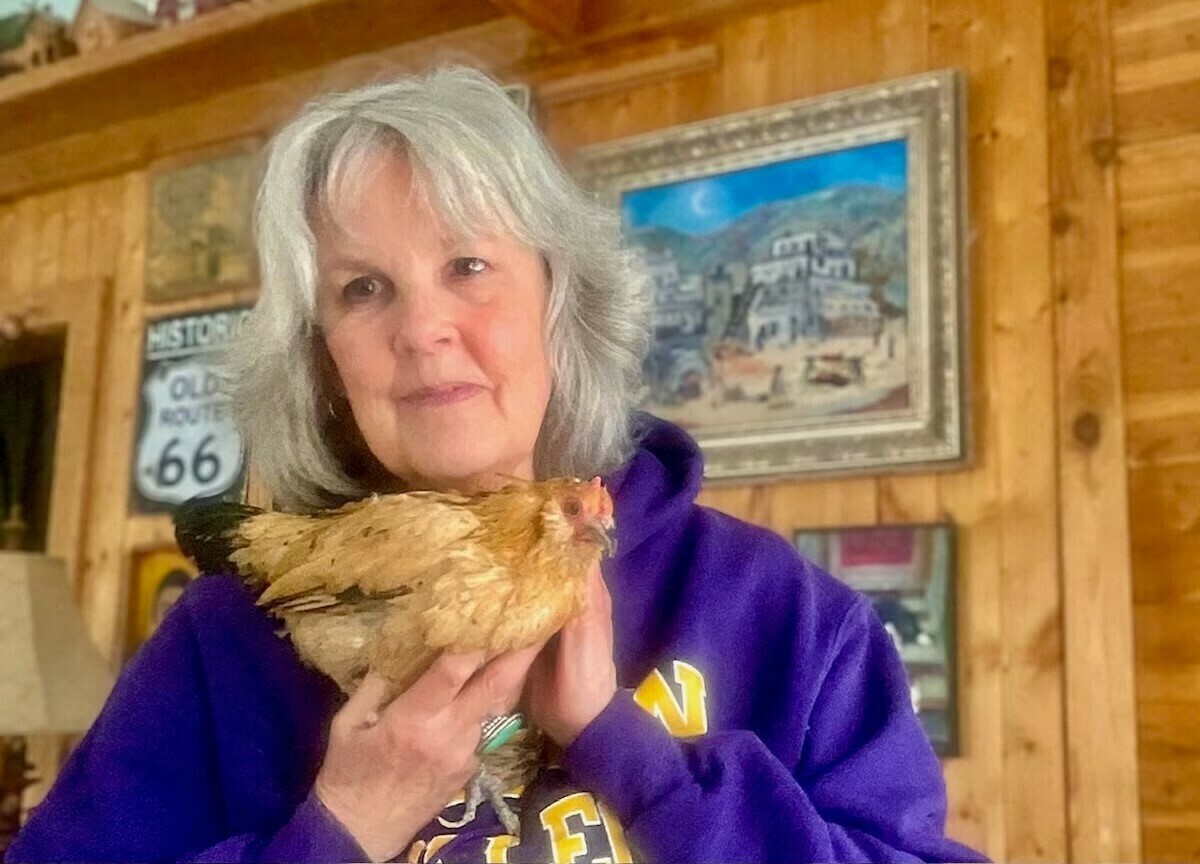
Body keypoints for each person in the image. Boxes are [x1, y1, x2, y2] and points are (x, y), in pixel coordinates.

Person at [8, 67, 985, 864]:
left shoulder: (787, 619)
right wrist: (338, 830)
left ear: (561, 302)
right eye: (362, 289)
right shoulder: (228, 642)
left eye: (467, 266)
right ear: (321, 356)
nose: (422, 329)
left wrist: (632, 756)